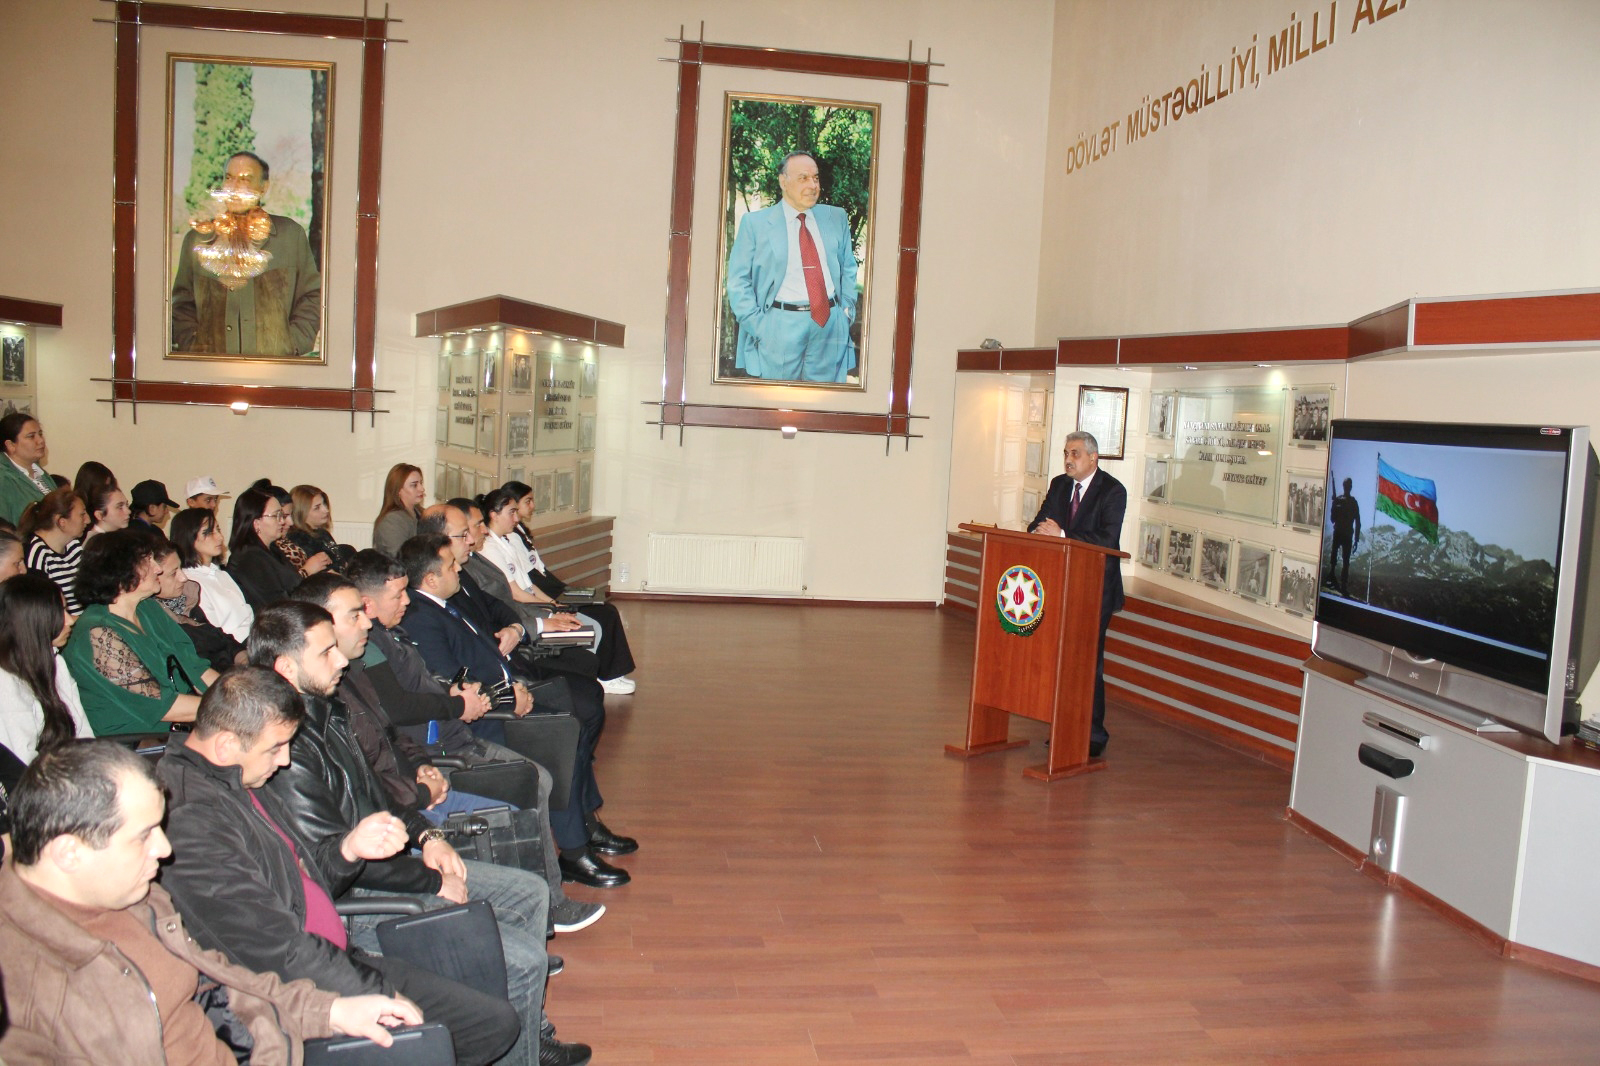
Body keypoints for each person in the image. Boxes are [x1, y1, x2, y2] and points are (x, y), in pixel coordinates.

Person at [246, 603, 591, 1066]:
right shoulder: (284, 751)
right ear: (286, 668)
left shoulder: (328, 713)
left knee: (531, 893)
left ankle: (531, 1034)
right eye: (327, 652)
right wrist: (431, 880)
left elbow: (376, 799)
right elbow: (332, 868)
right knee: (525, 961)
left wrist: (428, 837)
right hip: (359, 900)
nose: (342, 659)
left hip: (389, 868)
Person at [158, 669, 524, 1066]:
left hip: (337, 955)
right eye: (275, 748)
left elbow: (311, 878)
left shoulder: (239, 778)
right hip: (304, 992)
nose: (284, 760)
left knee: (493, 1017)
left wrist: (348, 850)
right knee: (484, 1025)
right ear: (227, 745)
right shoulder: (192, 821)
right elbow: (275, 950)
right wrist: (375, 990)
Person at [0, 739, 423, 1064]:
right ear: (68, 853)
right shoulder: (23, 993)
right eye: (143, 835)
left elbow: (223, 983)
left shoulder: (137, 899)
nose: (164, 849)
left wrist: (328, 1011)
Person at [399, 534, 635, 889]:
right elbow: (453, 684)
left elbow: (491, 630)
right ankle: (574, 853)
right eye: (450, 565)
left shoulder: (444, 603)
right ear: (431, 578)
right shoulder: (422, 617)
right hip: (482, 719)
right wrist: (507, 697)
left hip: (509, 691)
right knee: (561, 737)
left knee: (573, 719)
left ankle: (586, 824)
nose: (459, 568)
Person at [1027, 430, 1126, 758]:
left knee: (1086, 662)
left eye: (1075, 454)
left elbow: (1108, 540)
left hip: (1094, 590)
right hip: (1059, 584)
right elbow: (1037, 524)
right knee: (1061, 658)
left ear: (1093, 457)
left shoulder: (1113, 491)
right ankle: (1064, 725)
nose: (1068, 460)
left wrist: (1063, 534)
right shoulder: (1059, 485)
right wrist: (1040, 531)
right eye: (1066, 453)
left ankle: (1093, 733)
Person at [62, 528, 218, 737]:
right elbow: (163, 706)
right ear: (121, 571)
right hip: (135, 744)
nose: (158, 569)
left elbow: (196, 669)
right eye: (148, 561)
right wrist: (231, 708)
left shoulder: (148, 609)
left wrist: (241, 695)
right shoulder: (97, 634)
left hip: (180, 730)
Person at [170, 151, 322, 357]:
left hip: (273, 369)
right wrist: (193, 344)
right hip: (211, 369)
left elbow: (311, 296)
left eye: (245, 179)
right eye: (229, 178)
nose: (234, 187)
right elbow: (181, 304)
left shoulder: (289, 236)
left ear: (263, 187)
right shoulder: (197, 240)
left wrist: (293, 343)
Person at [724, 150, 859, 383]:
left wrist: (846, 312)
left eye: (815, 178)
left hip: (829, 326)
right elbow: (738, 281)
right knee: (778, 401)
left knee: (826, 401)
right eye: (803, 178)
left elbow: (848, 267)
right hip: (778, 327)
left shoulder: (835, 218)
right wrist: (759, 326)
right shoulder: (755, 224)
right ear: (783, 182)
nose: (812, 185)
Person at [497, 482, 639, 693]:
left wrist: (563, 592)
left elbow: (538, 571)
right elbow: (526, 582)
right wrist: (554, 602)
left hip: (546, 589)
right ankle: (605, 676)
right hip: (539, 595)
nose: (533, 506)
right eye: (528, 501)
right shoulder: (507, 540)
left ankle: (612, 673)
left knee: (606, 609)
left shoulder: (518, 533)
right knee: (604, 615)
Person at [0, 573, 92, 763]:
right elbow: (22, 763)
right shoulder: (6, 682)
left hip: (69, 769)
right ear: (36, 620)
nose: (71, 620)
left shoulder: (55, 660)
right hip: (40, 778)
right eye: (61, 612)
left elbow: (82, 733)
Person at [149, 533, 247, 672]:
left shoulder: (185, 600)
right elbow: (197, 666)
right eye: (173, 573)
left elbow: (220, 637)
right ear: (151, 577)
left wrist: (242, 656)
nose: (183, 577)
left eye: (180, 568)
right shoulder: (157, 619)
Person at [172, 505, 256, 642]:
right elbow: (214, 633)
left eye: (218, 529)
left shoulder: (220, 573)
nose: (220, 537)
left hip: (253, 636)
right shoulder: (190, 583)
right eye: (208, 532)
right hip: (236, 646)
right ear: (189, 538)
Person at [227, 486, 302, 610]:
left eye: (281, 515)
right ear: (256, 523)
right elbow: (275, 606)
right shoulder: (249, 559)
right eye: (276, 515)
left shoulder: (272, 549)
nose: (282, 521)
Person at [21, 485, 90, 614]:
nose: (88, 520)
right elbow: (41, 609)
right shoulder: (37, 553)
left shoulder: (73, 545)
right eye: (82, 515)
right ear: (62, 522)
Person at [0, 412, 57, 524]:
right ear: (11, 445)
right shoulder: (3, 479)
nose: (40, 440)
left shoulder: (41, 474)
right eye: (31, 436)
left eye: (40, 434)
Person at [289, 483, 357, 571]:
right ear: (301, 513)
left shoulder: (322, 532)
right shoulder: (299, 540)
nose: (326, 510)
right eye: (317, 508)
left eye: (324, 504)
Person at [373, 463, 426, 557]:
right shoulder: (392, 520)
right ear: (398, 490)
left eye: (421, 483)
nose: (421, 489)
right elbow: (399, 558)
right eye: (414, 485)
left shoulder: (421, 513)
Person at [1326, 476, 1362, 595]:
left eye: (1348, 485)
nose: (1347, 487)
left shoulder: (1347, 502)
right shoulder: (1347, 502)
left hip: (1345, 534)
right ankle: (1337, 581)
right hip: (1343, 533)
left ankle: (1341, 584)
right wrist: (1334, 505)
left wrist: (1356, 540)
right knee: (1339, 558)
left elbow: (1357, 522)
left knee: (1344, 560)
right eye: (1347, 485)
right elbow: (1333, 519)